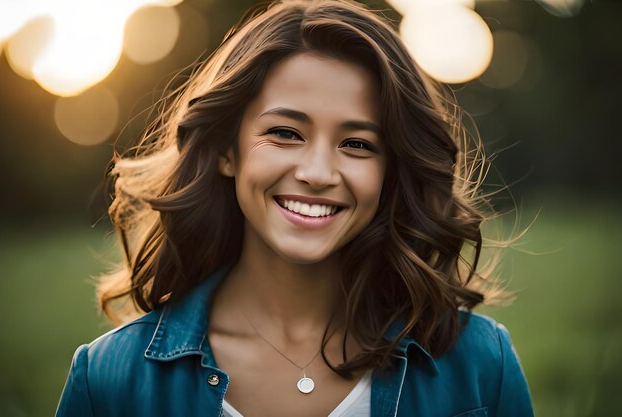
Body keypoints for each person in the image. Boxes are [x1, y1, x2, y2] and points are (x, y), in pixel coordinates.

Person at [55, 0, 534, 416]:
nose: (319, 172)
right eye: (285, 133)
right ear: (226, 150)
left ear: (392, 170)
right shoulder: (107, 381)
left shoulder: (481, 365)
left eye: (358, 143)